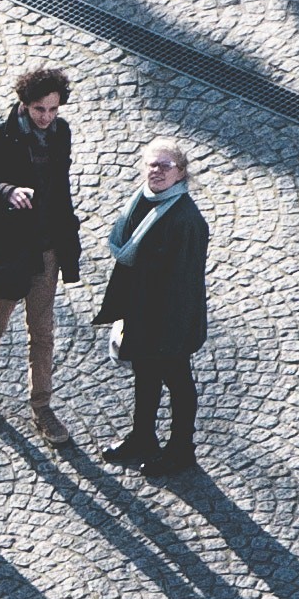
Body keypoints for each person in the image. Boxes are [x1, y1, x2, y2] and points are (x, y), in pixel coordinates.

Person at [0, 64, 82, 444]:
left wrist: (68, 242)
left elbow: (60, 190)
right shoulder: (2, 136)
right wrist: (6, 192)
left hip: (46, 250)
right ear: (24, 104)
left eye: (52, 109)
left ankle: (41, 405)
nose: (46, 117)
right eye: (39, 110)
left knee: (43, 331)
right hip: (9, 249)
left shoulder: (61, 133)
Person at [94, 137, 211, 477]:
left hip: (170, 319)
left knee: (177, 381)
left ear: (180, 173)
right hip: (142, 312)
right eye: (152, 164)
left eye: (165, 166)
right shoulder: (143, 201)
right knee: (145, 375)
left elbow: (183, 282)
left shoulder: (186, 219)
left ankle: (181, 450)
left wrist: (166, 327)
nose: (157, 171)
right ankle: (143, 436)